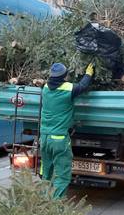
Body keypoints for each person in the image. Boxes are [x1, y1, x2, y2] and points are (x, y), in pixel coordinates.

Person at [39, 62, 94, 199]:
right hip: (59, 140)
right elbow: (83, 86)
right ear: (64, 76)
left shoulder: (45, 88)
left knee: (46, 173)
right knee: (62, 176)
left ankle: (41, 204)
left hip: (44, 138)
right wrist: (89, 73)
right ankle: (55, 208)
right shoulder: (69, 89)